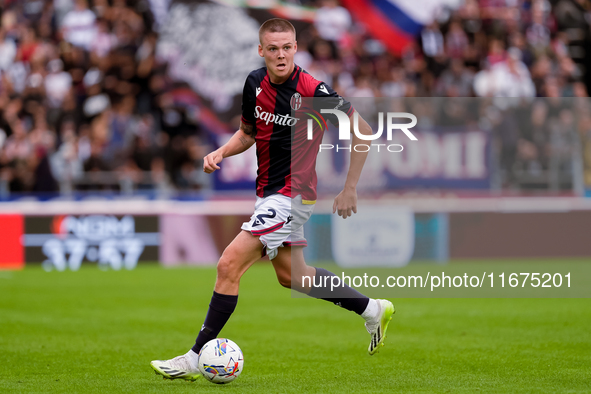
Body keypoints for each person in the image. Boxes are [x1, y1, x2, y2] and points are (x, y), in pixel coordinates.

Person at [150, 19, 395, 381]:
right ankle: (373, 309)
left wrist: (350, 188)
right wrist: (221, 152)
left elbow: (363, 130)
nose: (281, 55)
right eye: (273, 48)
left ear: (296, 48)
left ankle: (194, 356)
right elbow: (249, 132)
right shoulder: (254, 83)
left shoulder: (313, 90)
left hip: (291, 196)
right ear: (261, 50)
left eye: (287, 47)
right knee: (294, 276)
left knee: (228, 265)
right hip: (268, 194)